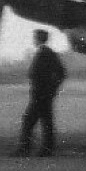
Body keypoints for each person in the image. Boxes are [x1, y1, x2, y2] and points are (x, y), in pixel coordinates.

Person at [13, 29, 66, 157]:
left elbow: (61, 73)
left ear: (38, 39)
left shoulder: (46, 53)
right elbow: (61, 73)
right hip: (42, 94)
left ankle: (25, 149)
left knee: (28, 120)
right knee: (46, 122)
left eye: (35, 37)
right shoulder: (46, 52)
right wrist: (53, 89)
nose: (34, 40)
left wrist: (52, 89)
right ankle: (46, 149)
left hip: (41, 95)